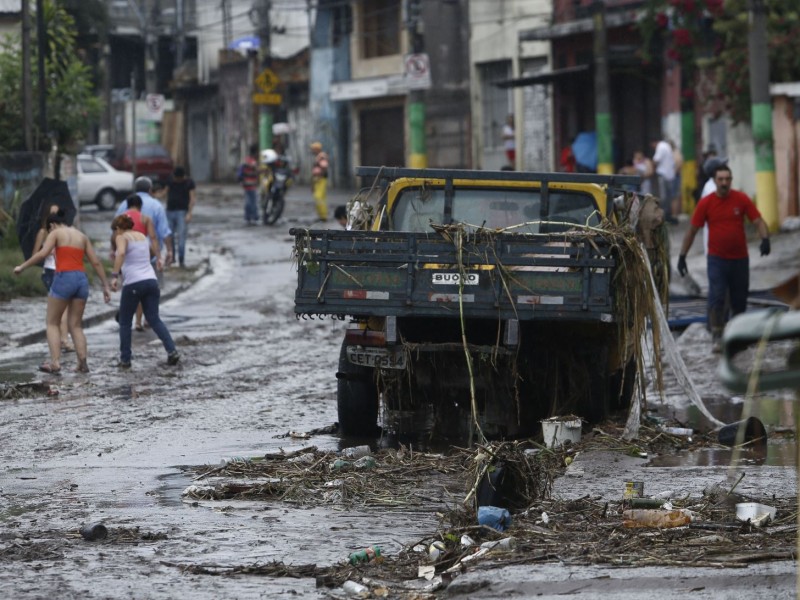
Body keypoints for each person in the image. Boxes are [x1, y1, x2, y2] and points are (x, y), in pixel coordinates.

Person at [676, 164, 771, 353]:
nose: (724, 183)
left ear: (731, 180)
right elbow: (692, 230)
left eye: (727, 179)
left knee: (739, 300)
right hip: (717, 259)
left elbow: (758, 221)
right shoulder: (706, 203)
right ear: (714, 181)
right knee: (717, 296)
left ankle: (738, 336)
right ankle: (717, 337)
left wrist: (765, 239)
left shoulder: (741, 199)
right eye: (721, 179)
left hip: (740, 259)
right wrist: (682, 256)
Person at [13, 212, 111, 373]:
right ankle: (82, 363)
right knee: (76, 325)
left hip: (64, 277)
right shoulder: (82, 236)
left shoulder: (55, 233)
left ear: (52, 225)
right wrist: (105, 286)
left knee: (52, 322)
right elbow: (96, 262)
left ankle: (55, 363)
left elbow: (43, 253)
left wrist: (22, 267)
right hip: (81, 279)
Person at [110, 214, 180, 369]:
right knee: (154, 319)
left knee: (125, 322)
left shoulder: (121, 237)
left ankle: (125, 359)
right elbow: (151, 253)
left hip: (133, 283)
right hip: (151, 281)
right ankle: (172, 351)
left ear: (117, 228)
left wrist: (114, 275)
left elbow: (121, 253)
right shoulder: (141, 236)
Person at [114, 194, 160, 331]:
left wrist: (114, 252)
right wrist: (157, 256)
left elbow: (115, 236)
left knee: (131, 289)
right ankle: (140, 320)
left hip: (126, 260)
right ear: (140, 206)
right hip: (142, 257)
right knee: (143, 291)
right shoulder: (145, 218)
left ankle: (134, 321)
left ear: (127, 205)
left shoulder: (121, 218)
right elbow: (153, 238)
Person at [35, 203, 73, 352]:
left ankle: (61, 338)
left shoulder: (65, 233)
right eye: (52, 213)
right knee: (61, 309)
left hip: (64, 271)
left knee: (63, 309)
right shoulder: (43, 233)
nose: (54, 217)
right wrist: (47, 251)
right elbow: (36, 255)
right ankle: (63, 340)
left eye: (57, 213)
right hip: (51, 272)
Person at [166, 166, 196, 268]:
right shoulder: (171, 180)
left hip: (182, 212)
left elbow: (192, 198)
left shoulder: (189, 183)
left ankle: (181, 260)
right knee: (169, 236)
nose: (176, 180)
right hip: (170, 211)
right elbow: (165, 191)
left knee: (181, 236)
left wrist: (189, 213)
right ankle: (172, 258)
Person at [651, 137, 677, 224]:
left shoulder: (660, 146)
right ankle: (668, 216)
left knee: (663, 197)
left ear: (654, 143)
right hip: (670, 175)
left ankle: (664, 216)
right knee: (668, 197)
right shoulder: (666, 146)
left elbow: (656, 160)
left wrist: (652, 167)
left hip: (663, 175)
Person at [239, 143, 259, 225]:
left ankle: (248, 218)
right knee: (252, 202)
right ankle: (253, 217)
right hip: (251, 185)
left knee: (249, 202)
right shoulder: (252, 162)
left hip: (247, 184)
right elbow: (256, 170)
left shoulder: (246, 160)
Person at [310, 141, 329, 221]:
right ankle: (321, 215)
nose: (312, 150)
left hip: (320, 179)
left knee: (319, 197)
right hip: (318, 178)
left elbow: (324, 166)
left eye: (313, 149)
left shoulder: (321, 156)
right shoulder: (319, 156)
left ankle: (323, 216)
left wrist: (319, 176)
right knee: (320, 197)